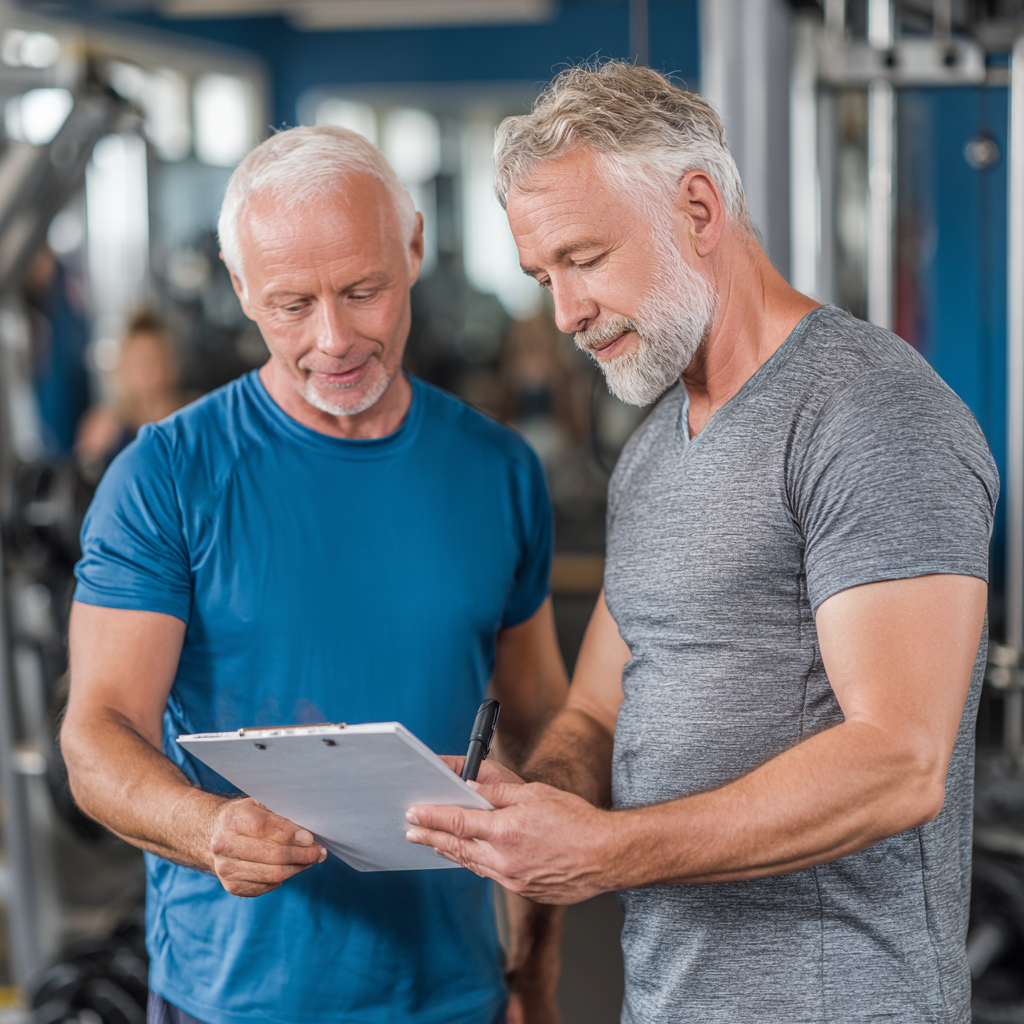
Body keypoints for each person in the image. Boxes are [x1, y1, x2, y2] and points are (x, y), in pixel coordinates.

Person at [405, 62, 998, 1024]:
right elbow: (597, 712)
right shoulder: (651, 454)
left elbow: (899, 760)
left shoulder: (871, 413)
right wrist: (525, 803)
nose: (565, 314)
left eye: (584, 258)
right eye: (542, 276)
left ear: (697, 207)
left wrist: (604, 849)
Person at [60, 126, 568, 1024]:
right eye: (292, 304)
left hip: (454, 991)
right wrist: (207, 827)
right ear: (239, 285)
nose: (334, 339)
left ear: (414, 247)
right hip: (235, 1000)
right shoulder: (165, 476)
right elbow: (97, 736)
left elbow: (535, 729)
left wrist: (535, 961)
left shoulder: (498, 469)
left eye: (363, 290)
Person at [75, 310, 189, 476]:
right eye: (137, 363)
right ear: (123, 368)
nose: (144, 372)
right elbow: (82, 483)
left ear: (170, 365)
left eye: (151, 361)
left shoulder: (191, 414)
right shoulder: (103, 426)